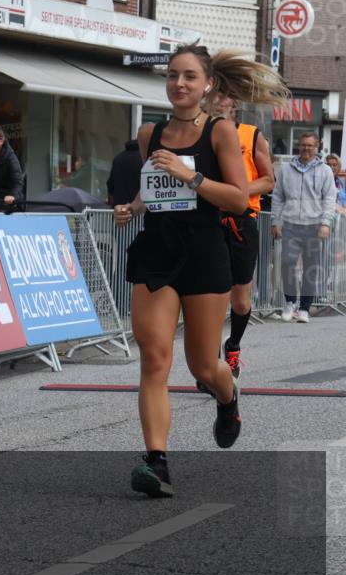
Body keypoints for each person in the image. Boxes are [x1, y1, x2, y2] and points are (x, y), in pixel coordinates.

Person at [114, 45, 290, 498]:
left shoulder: (221, 132)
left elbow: (237, 197)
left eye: (190, 77)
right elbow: (152, 187)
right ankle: (157, 463)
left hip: (204, 251)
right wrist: (131, 207)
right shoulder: (149, 133)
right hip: (157, 248)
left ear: (207, 84)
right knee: (154, 358)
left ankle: (227, 397)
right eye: (173, 76)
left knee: (202, 365)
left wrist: (190, 177)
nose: (179, 84)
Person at [212, 94, 274, 376]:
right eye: (210, 96)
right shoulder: (200, 135)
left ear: (232, 104)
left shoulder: (251, 135)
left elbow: (268, 180)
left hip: (241, 220)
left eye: (221, 97)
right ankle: (208, 363)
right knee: (209, 295)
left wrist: (236, 191)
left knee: (240, 300)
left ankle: (233, 346)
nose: (215, 101)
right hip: (208, 221)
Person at [271, 132, 336, 322]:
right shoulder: (286, 169)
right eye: (303, 145)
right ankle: (290, 302)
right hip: (290, 225)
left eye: (310, 145)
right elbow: (278, 197)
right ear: (299, 146)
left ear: (317, 148)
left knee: (311, 268)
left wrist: (325, 223)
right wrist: (276, 221)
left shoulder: (324, 171)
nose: (306, 148)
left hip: (314, 226)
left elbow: (329, 199)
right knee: (287, 264)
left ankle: (305, 308)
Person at [106, 139, 142, 207]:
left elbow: (110, 186)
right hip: (140, 210)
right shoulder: (144, 158)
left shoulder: (118, 158)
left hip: (120, 209)